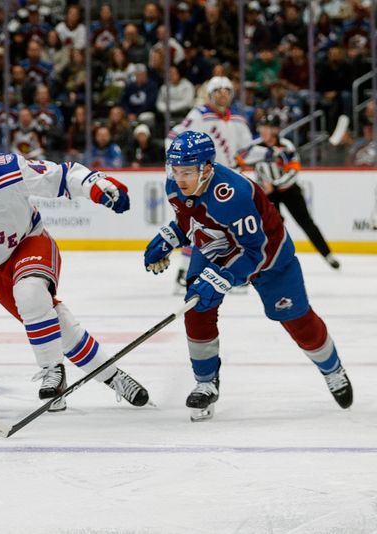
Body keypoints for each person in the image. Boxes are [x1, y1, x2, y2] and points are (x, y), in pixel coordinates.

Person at [0, 129, 150, 412]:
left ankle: (52, 370)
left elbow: (59, 177)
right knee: (59, 326)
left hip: (30, 242)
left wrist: (95, 185)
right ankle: (114, 377)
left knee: (29, 293)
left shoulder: (9, 168)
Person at [143, 131, 353, 422]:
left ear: (207, 168)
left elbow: (255, 251)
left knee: (296, 318)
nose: (179, 178)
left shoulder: (233, 194)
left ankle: (332, 369)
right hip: (216, 248)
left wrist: (223, 276)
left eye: (187, 171)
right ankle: (206, 382)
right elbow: (190, 221)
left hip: (269, 257)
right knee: (197, 306)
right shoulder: (176, 185)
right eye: (175, 170)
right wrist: (170, 236)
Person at [167, 75, 254, 289]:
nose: (223, 95)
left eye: (227, 91)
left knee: (230, 227)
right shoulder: (199, 115)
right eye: (219, 91)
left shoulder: (239, 120)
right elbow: (174, 137)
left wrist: (246, 161)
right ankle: (184, 270)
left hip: (229, 182)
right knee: (198, 226)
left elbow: (247, 150)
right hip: (203, 182)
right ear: (211, 94)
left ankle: (231, 271)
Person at [236, 114, 340, 269]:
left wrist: (276, 185)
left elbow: (293, 171)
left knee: (306, 222)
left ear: (276, 129)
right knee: (272, 227)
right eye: (262, 127)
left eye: (268, 127)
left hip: (289, 190)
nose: (263, 131)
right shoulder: (254, 147)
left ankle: (327, 254)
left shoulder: (286, 146)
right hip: (268, 194)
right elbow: (238, 162)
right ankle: (274, 261)